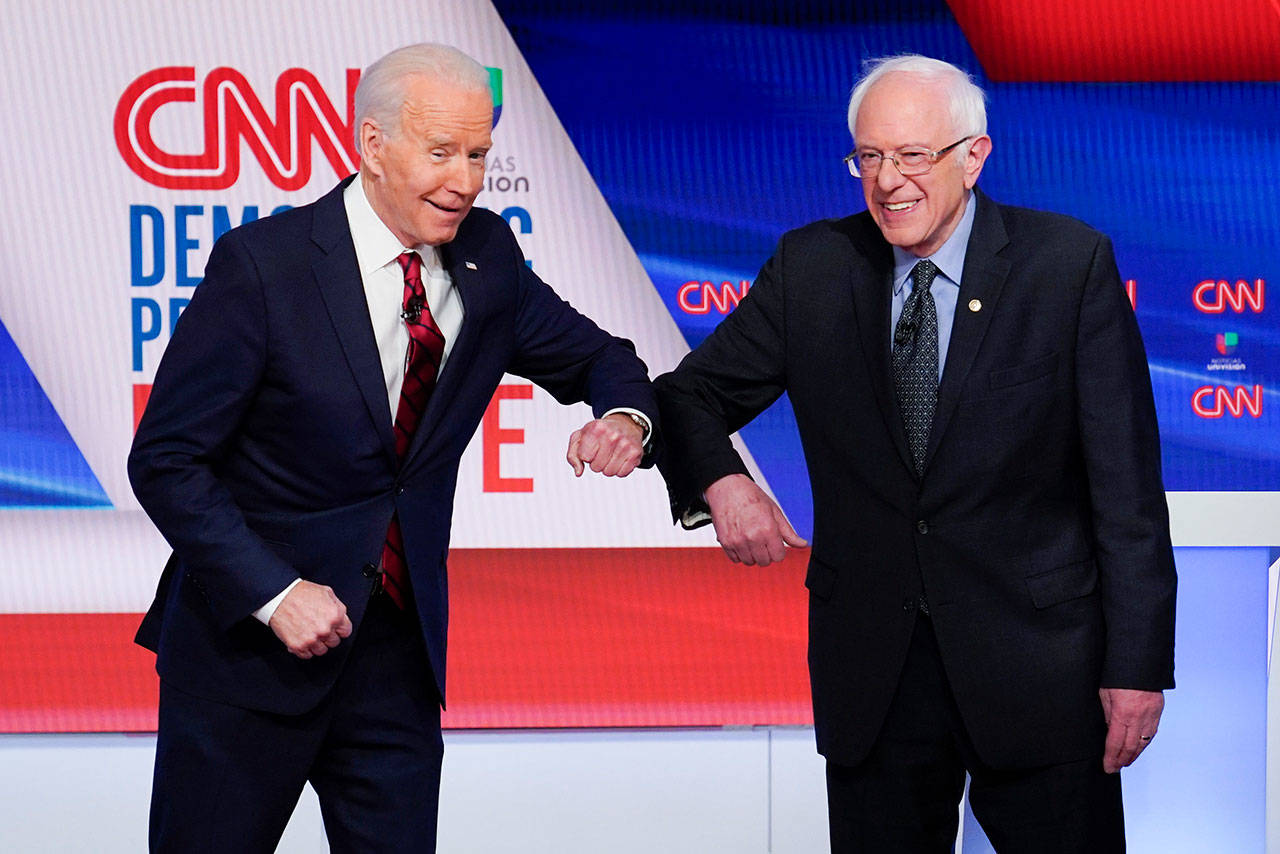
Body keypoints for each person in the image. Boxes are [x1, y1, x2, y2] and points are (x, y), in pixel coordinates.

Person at [129, 43, 656, 853]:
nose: (466, 180)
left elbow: (599, 356)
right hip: (247, 659)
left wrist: (625, 417)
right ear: (373, 146)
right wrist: (274, 593)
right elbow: (166, 461)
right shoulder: (264, 268)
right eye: (441, 152)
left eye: (479, 154)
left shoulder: (487, 256)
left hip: (395, 665)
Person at [655, 54, 1175, 852]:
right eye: (868, 157)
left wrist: (1137, 666)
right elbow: (689, 395)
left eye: (911, 156)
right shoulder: (814, 268)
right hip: (876, 672)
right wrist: (723, 482)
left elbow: (1128, 492)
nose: (887, 181)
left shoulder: (1067, 267)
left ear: (974, 155)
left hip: (1039, 669)